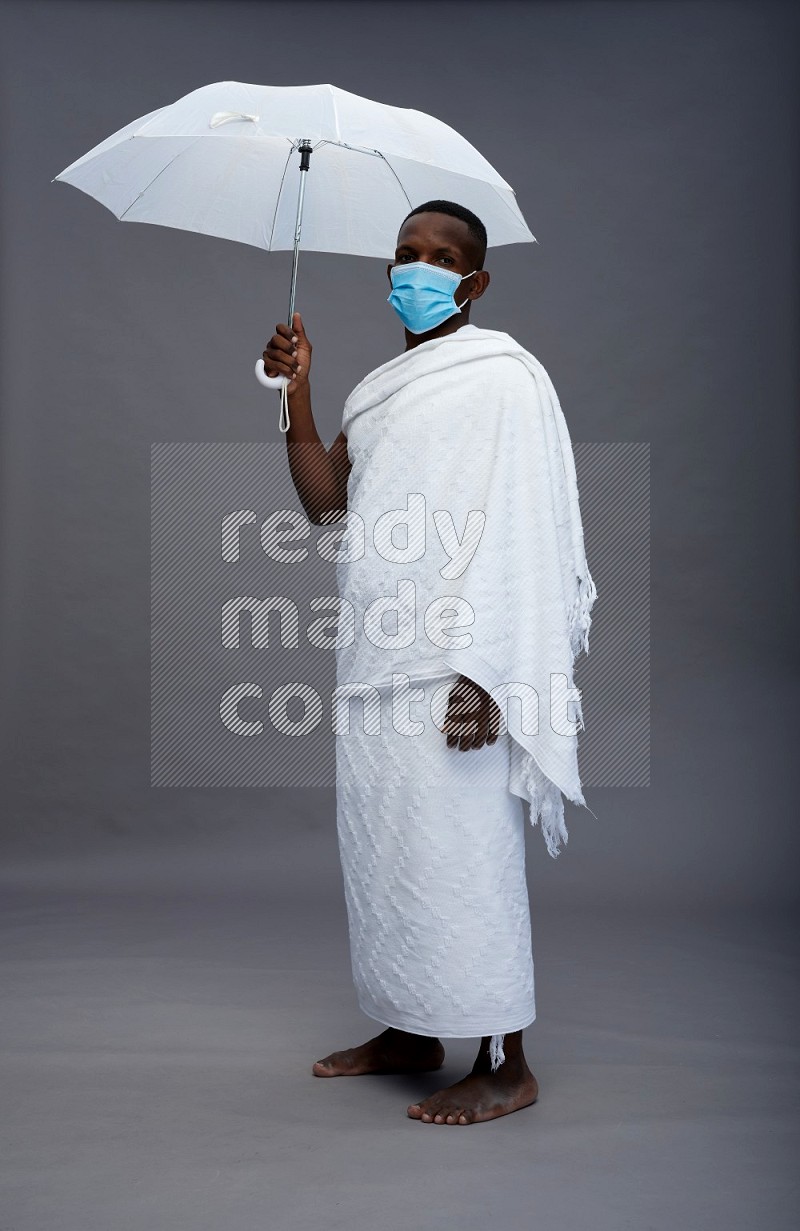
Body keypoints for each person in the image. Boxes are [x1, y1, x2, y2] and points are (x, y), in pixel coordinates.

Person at [262, 200, 596, 1126]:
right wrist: (298, 395)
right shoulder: (379, 390)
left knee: (462, 858)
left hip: (460, 667)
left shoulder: (504, 379)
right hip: (376, 657)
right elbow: (327, 506)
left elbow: (524, 532)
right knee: (385, 858)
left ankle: (505, 1060)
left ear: (475, 282)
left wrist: (490, 670)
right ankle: (412, 1028)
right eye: (405, 253)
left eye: (441, 257)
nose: (418, 268)